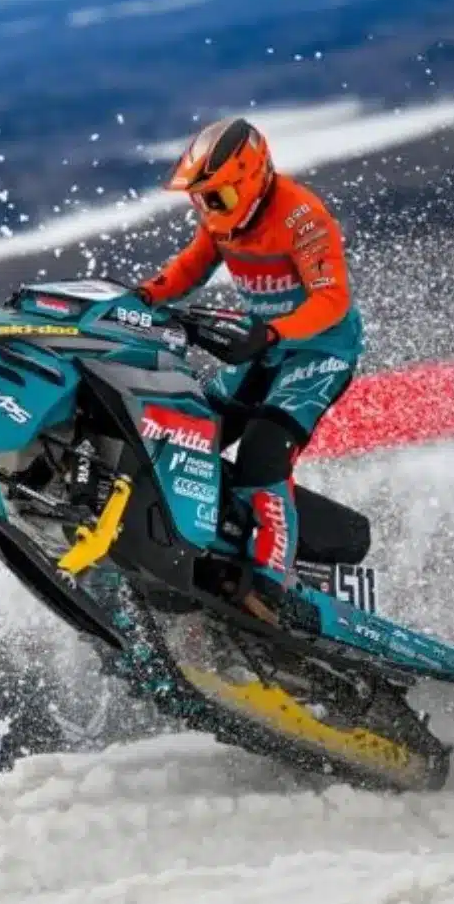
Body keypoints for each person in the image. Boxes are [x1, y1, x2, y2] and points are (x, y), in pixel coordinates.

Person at [134, 115, 363, 625]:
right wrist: (142, 295)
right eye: (200, 200)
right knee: (190, 429)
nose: (208, 211)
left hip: (317, 353)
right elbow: (189, 269)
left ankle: (272, 583)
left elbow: (331, 299)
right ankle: (193, 538)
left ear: (251, 179)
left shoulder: (302, 217)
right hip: (266, 349)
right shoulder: (222, 222)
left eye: (217, 198)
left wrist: (277, 332)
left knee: (262, 451)